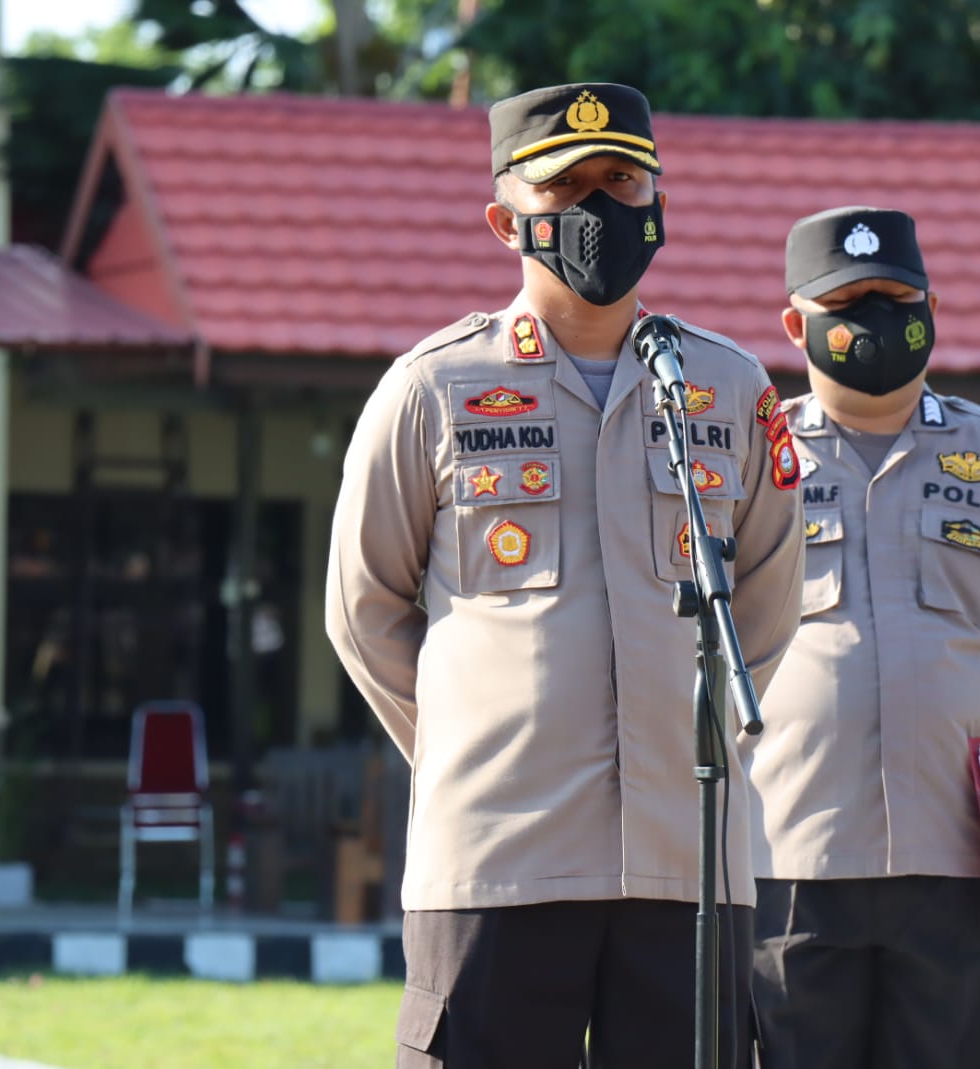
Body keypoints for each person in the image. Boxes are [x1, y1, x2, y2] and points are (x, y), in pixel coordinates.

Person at [325, 82, 804, 1069]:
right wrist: (470, 742)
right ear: (506, 220)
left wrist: (682, 723)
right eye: (565, 186)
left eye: (621, 181)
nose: (598, 209)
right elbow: (361, 606)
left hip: (686, 859)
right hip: (499, 857)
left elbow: (766, 594)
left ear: (658, 204)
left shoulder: (727, 387)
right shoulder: (431, 388)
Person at [743, 206, 980, 1069]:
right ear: (797, 325)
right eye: (848, 302)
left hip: (955, 858)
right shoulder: (752, 463)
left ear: (931, 308)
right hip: (785, 854)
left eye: (895, 297)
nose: (876, 318)